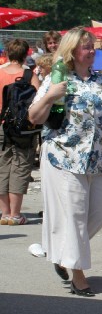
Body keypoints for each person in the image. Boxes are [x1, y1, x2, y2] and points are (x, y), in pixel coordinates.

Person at [28, 27, 102, 295]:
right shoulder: (58, 78)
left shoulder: (100, 81)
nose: (91, 51)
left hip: (97, 159)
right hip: (64, 156)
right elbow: (34, 116)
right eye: (86, 47)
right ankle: (77, 274)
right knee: (75, 219)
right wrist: (51, 96)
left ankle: (59, 253)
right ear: (72, 50)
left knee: (98, 215)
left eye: (93, 46)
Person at [0, 39, 41, 226]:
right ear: (26, 54)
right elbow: (39, 102)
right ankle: (16, 214)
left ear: (7, 53)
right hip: (23, 129)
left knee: (2, 167)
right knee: (21, 167)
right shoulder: (29, 75)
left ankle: (5, 213)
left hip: (2, 126)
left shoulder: (0, 73)